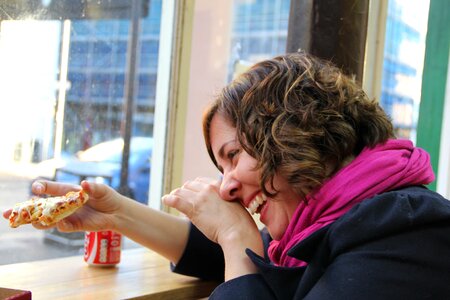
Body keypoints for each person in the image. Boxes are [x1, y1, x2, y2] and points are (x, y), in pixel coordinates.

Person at [4, 52, 450, 299]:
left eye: (234, 155)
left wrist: (237, 240)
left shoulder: (403, 238)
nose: (225, 184)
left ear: (296, 134)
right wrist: (114, 213)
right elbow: (249, 261)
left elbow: (248, 265)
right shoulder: (341, 214)